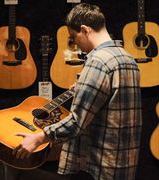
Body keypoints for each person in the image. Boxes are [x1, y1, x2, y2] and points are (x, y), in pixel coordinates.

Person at [13, 3, 142, 180]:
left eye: (73, 37)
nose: (74, 44)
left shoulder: (98, 62)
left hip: (97, 168)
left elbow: (77, 121)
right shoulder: (128, 59)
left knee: (23, 176)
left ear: (85, 29)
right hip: (122, 163)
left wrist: (39, 138)